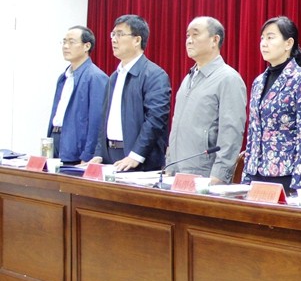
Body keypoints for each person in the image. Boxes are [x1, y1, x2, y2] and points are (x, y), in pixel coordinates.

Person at [242, 16, 301, 192]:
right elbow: (253, 133)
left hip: (286, 175)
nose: (264, 43)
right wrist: (246, 175)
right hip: (255, 172)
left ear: (288, 43)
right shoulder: (258, 82)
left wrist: (299, 185)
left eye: (270, 37)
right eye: (262, 38)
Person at [165, 17, 247, 183]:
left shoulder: (228, 78)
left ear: (214, 40)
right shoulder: (189, 78)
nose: (189, 40)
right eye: (187, 35)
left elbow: (231, 132)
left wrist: (219, 175)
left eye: (195, 35)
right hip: (177, 172)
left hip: (205, 175)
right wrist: (170, 166)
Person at [92, 15, 172, 171]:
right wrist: (99, 153)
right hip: (109, 157)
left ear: (137, 40)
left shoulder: (155, 75)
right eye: (113, 34)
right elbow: (105, 120)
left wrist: (136, 155)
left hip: (139, 161)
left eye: (120, 34)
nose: (114, 39)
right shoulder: (114, 77)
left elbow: (155, 120)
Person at [47, 26, 108, 164]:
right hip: (56, 140)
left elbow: (97, 121)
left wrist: (88, 154)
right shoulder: (64, 77)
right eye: (64, 41)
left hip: (76, 148)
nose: (65, 46)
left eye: (71, 42)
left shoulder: (96, 77)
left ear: (87, 46)